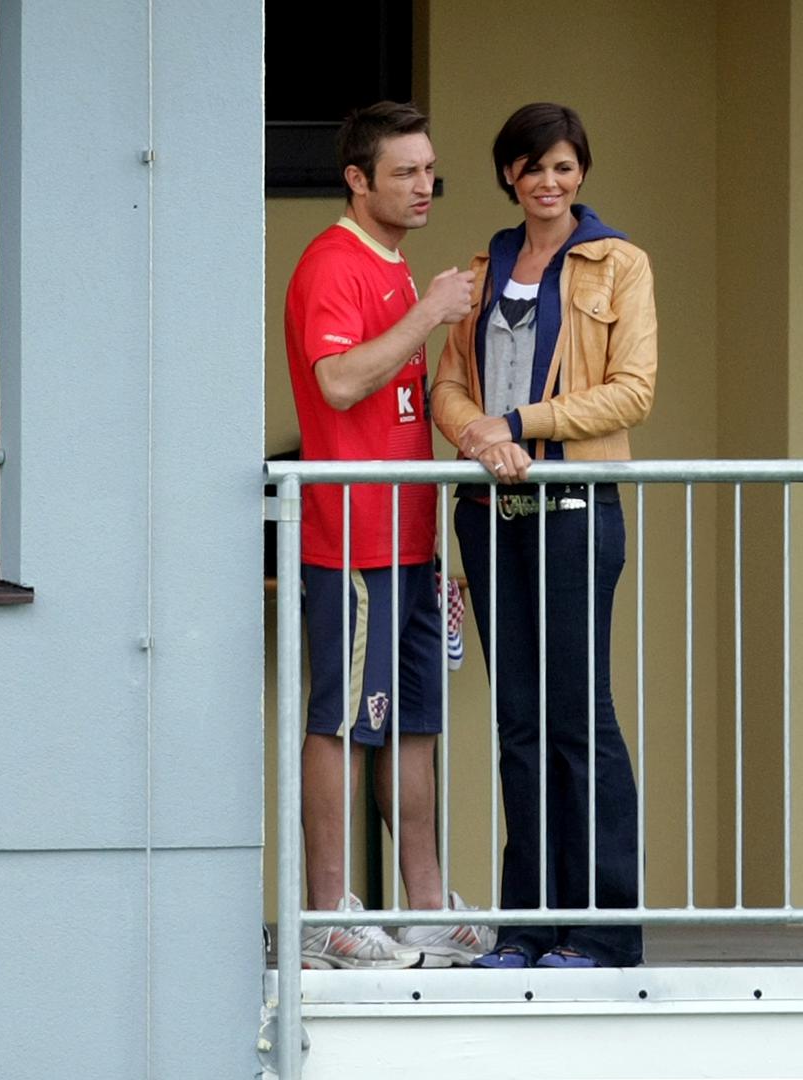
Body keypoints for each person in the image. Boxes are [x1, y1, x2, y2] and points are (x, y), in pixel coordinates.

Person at [431, 102, 656, 969]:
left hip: (572, 507)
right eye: (532, 168)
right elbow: (449, 379)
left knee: (577, 716)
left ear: (581, 174)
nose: (548, 182)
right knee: (518, 722)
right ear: (508, 176)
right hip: (492, 511)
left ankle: (601, 931)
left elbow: (632, 391)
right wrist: (480, 436)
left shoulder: (619, 264)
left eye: (563, 166)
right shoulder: (480, 269)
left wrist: (517, 422)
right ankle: (526, 925)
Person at [283, 101, 491, 969]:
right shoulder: (333, 264)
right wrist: (432, 312)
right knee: (339, 725)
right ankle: (327, 914)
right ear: (357, 179)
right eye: (403, 172)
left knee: (413, 727)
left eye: (429, 170)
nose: (423, 186)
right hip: (353, 540)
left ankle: (426, 907)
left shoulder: (399, 270)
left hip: (409, 538)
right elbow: (336, 383)